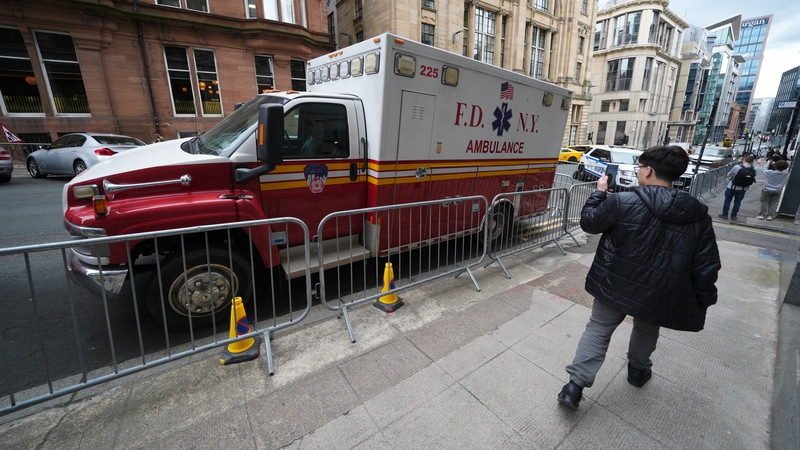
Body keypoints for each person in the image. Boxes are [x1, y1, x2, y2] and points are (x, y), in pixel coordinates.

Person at [557, 145, 721, 410]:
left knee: (599, 328)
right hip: (658, 292)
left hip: (615, 282)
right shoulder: (697, 216)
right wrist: (704, 299)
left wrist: (599, 194)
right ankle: (637, 371)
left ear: (649, 170)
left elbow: (589, 223)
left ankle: (574, 387)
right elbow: (706, 266)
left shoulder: (621, 202)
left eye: (639, 168)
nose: (638, 173)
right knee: (647, 329)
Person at [718, 155, 756, 220]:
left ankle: (725, 214)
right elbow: (753, 176)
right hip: (743, 188)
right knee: (738, 202)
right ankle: (734, 216)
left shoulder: (737, 167)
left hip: (732, 187)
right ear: (752, 161)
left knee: (727, 201)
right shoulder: (753, 169)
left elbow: (729, 174)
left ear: (744, 160)